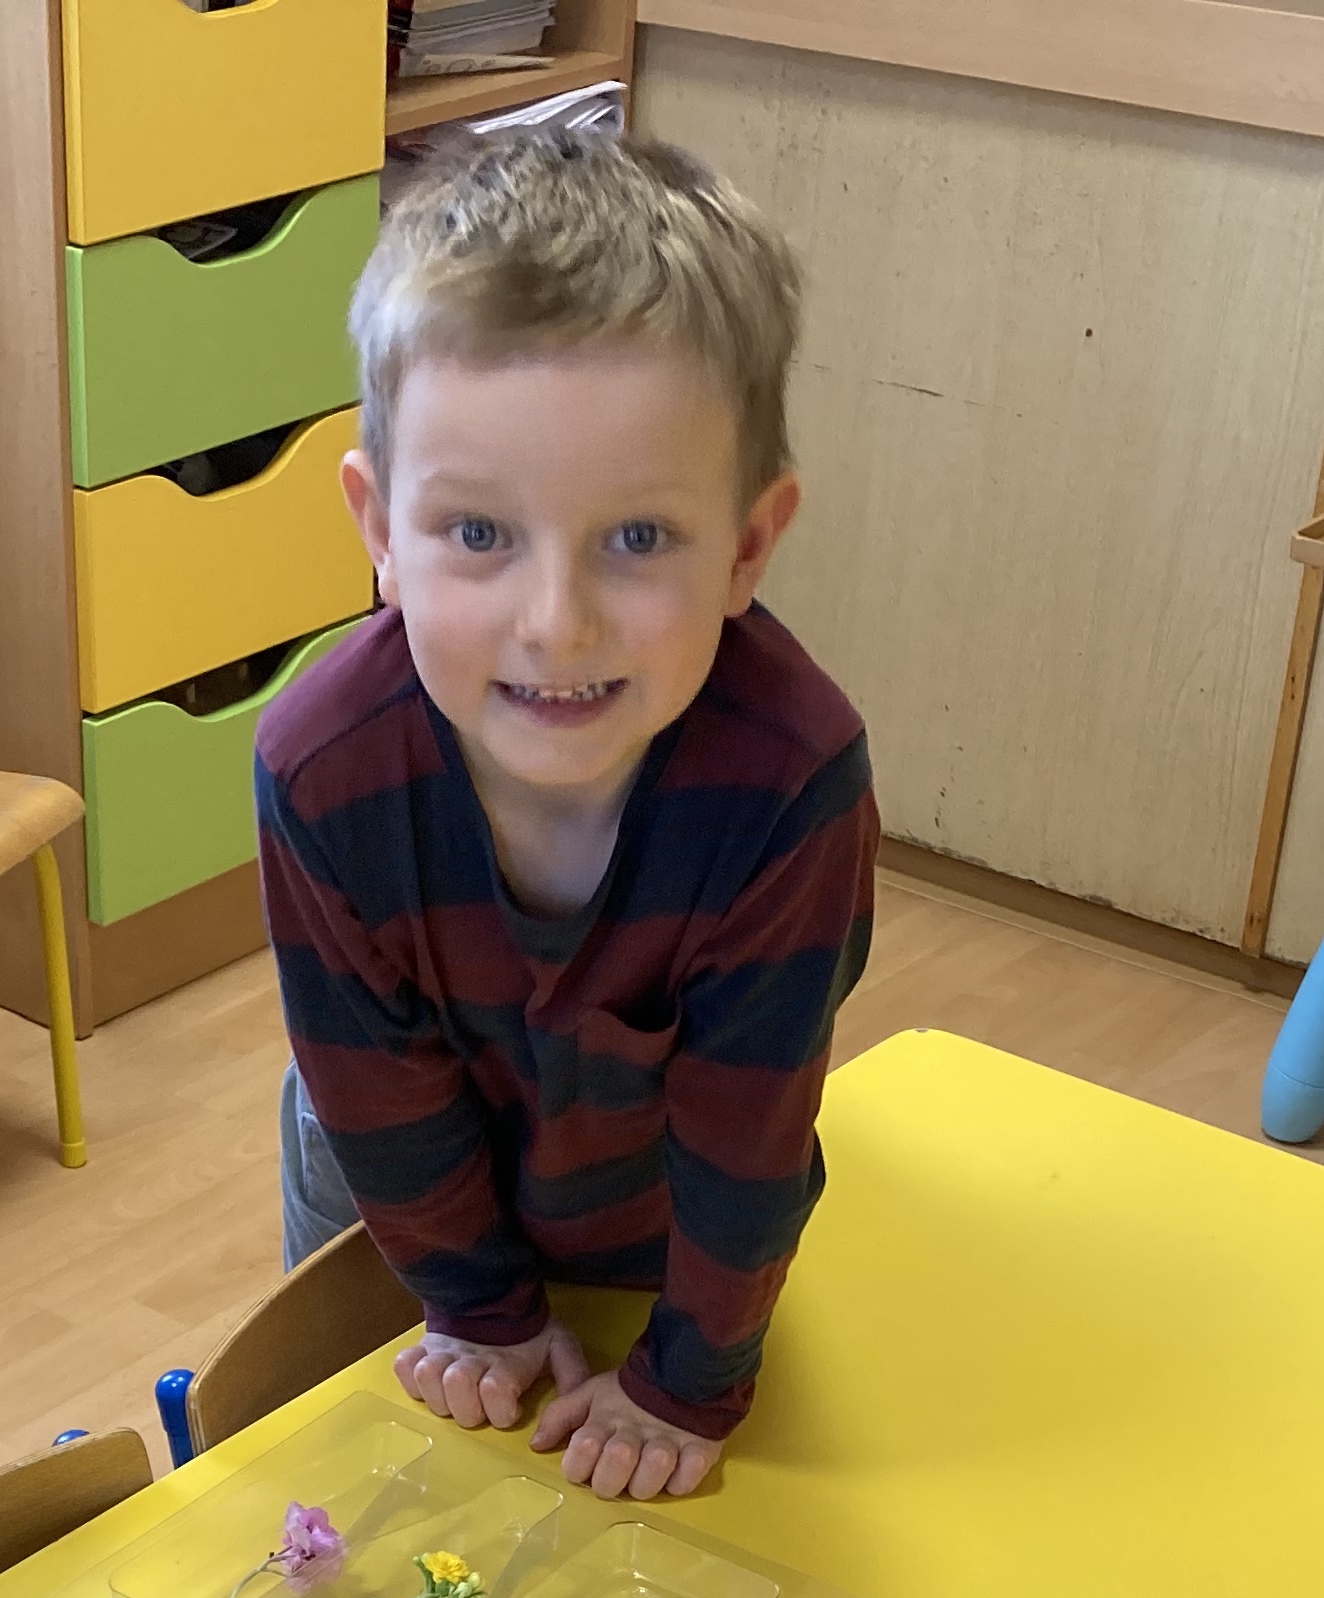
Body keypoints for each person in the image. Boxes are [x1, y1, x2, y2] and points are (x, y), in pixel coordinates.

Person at [259, 126, 875, 1503]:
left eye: (637, 538)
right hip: (394, 1205)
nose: (556, 624)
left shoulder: (792, 780)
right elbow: (378, 1091)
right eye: (478, 534)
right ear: (380, 532)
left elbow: (750, 1127)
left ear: (749, 545)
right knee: (373, 1499)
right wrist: (475, 1304)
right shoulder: (319, 769)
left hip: (653, 1228)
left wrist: (688, 1380)